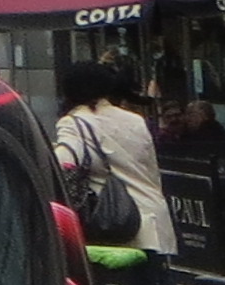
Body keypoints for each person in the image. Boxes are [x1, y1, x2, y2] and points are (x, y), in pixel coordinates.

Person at [52, 60, 176, 257]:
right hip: (156, 224)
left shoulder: (74, 123)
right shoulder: (135, 120)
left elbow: (63, 163)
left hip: (119, 228)